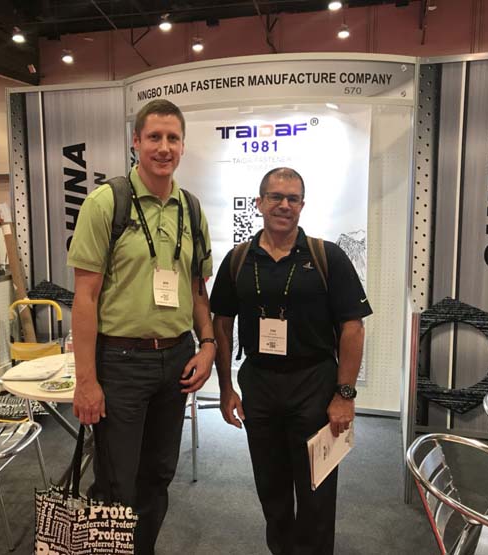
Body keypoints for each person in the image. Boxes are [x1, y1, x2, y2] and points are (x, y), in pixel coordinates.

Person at [67, 99, 215, 555]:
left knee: (157, 477)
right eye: (154, 137)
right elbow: (85, 298)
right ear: (136, 142)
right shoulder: (106, 203)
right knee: (116, 483)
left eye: (172, 138)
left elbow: (197, 289)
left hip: (176, 359)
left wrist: (208, 344)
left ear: (183, 146)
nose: (164, 147)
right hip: (121, 362)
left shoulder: (191, 209)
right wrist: (86, 381)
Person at [210, 167, 372, 555]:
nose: (284, 205)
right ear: (259, 203)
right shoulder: (238, 260)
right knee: (272, 487)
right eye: (276, 197)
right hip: (259, 383)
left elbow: (353, 328)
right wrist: (225, 388)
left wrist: (344, 395)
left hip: (315, 383)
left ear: (302, 205)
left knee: (318, 489)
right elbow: (221, 325)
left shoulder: (326, 256)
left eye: (293, 198)